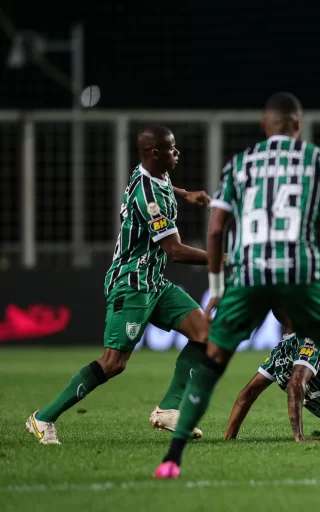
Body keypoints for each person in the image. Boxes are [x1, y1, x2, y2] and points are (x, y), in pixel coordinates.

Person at [153, 92, 320, 480]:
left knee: (212, 363)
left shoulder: (239, 164)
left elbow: (217, 228)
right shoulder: (317, 158)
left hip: (248, 273)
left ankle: (172, 459)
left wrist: (219, 284)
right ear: (299, 124)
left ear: (263, 125)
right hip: (300, 270)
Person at [26, 125, 213, 445]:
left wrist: (185, 194)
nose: (177, 153)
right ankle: (43, 418)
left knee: (206, 333)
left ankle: (169, 409)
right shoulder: (147, 196)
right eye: (171, 149)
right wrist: (221, 258)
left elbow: (164, 188)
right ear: (155, 153)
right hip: (131, 284)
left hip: (153, 280)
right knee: (114, 363)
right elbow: (175, 251)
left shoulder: (153, 174)